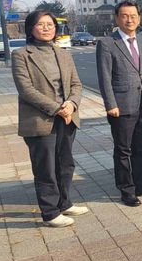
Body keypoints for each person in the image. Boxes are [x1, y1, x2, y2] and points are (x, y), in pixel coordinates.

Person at [12, 11, 88, 227]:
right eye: (41, 24)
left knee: (65, 164)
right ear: (31, 28)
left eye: (50, 24)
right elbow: (26, 90)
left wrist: (71, 104)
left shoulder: (63, 53)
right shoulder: (21, 55)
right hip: (40, 119)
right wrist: (57, 109)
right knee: (46, 167)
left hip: (67, 117)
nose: (46, 28)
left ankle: (65, 203)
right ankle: (50, 212)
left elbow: (76, 84)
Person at [96, 0, 142, 207]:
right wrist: (110, 104)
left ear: (139, 18)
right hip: (121, 105)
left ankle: (141, 183)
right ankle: (126, 189)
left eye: (133, 16)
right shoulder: (107, 43)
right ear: (117, 18)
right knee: (123, 149)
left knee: (141, 147)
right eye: (124, 16)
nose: (129, 19)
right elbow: (104, 77)